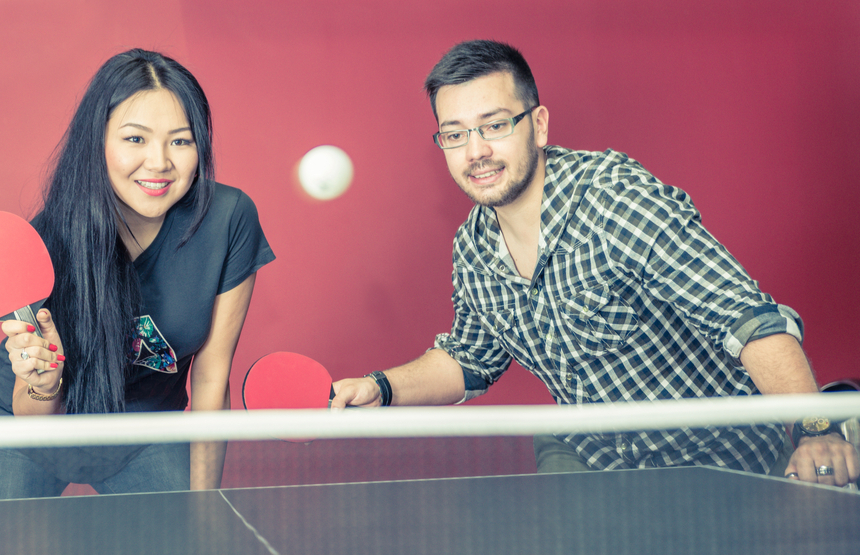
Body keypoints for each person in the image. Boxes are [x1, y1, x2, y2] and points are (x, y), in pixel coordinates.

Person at [331, 40, 858, 487]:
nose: (475, 152)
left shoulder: (614, 201)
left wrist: (817, 430)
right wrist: (382, 386)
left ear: (537, 125)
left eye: (493, 126)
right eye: (455, 133)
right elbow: (471, 359)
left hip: (722, 466)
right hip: (604, 469)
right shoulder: (471, 249)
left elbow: (746, 319)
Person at [0, 49, 274, 499]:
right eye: (135, 139)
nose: (159, 162)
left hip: (144, 434)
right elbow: (33, 416)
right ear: (98, 143)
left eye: (181, 141)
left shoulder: (229, 218)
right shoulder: (47, 241)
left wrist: (205, 508)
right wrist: (43, 382)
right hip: (32, 432)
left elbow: (212, 378)